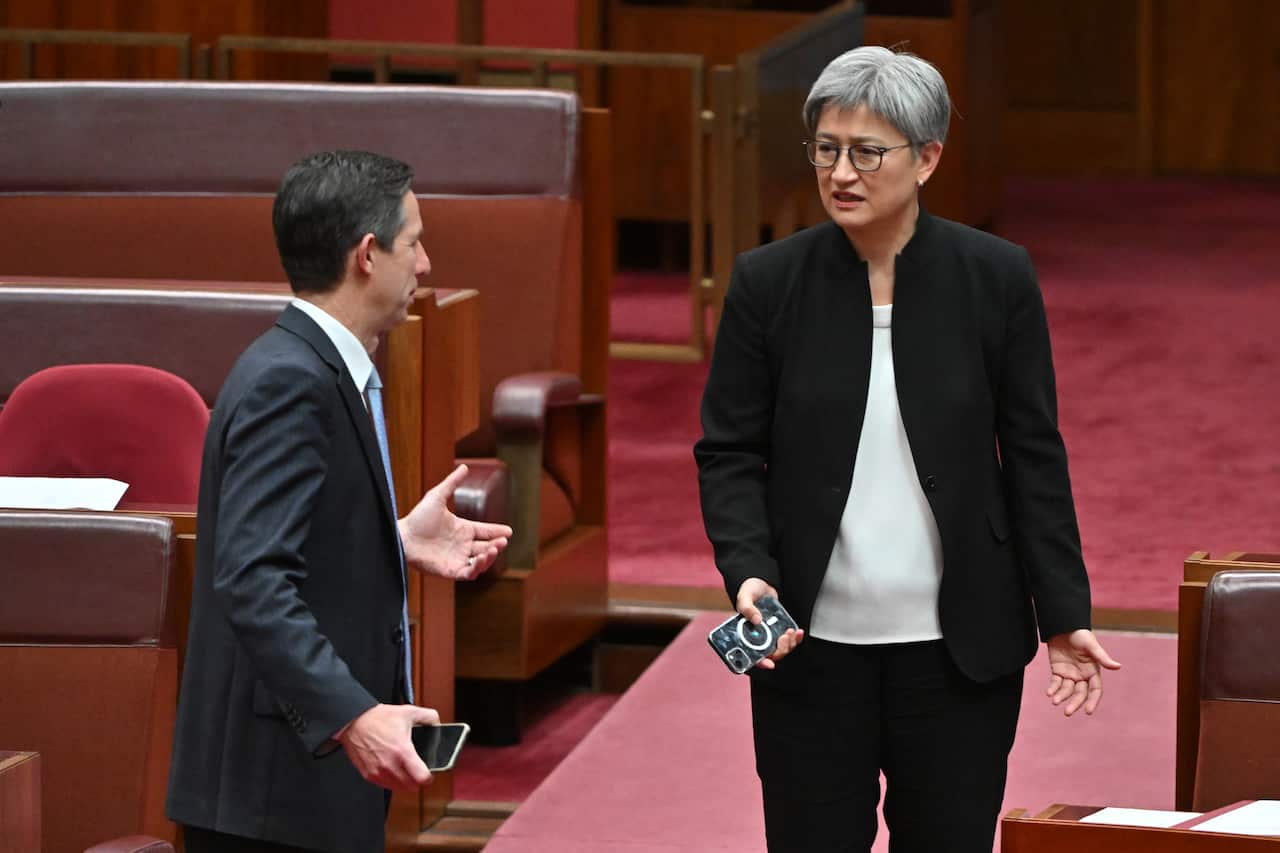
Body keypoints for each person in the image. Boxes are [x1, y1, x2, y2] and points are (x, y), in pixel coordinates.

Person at [694, 46, 1121, 852]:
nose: (840, 173)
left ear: (927, 158)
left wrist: (1063, 612)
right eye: (825, 148)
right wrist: (748, 567)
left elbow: (1033, 452)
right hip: (810, 650)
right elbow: (728, 449)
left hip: (957, 653)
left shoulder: (995, 277)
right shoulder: (767, 283)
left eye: (866, 152)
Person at [166, 150, 512, 853]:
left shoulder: (309, 365)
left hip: (302, 788)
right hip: (272, 797)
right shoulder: (289, 383)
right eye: (413, 242)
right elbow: (254, 580)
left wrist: (390, 537)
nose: (425, 264)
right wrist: (354, 715)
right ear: (366, 254)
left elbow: (283, 541)